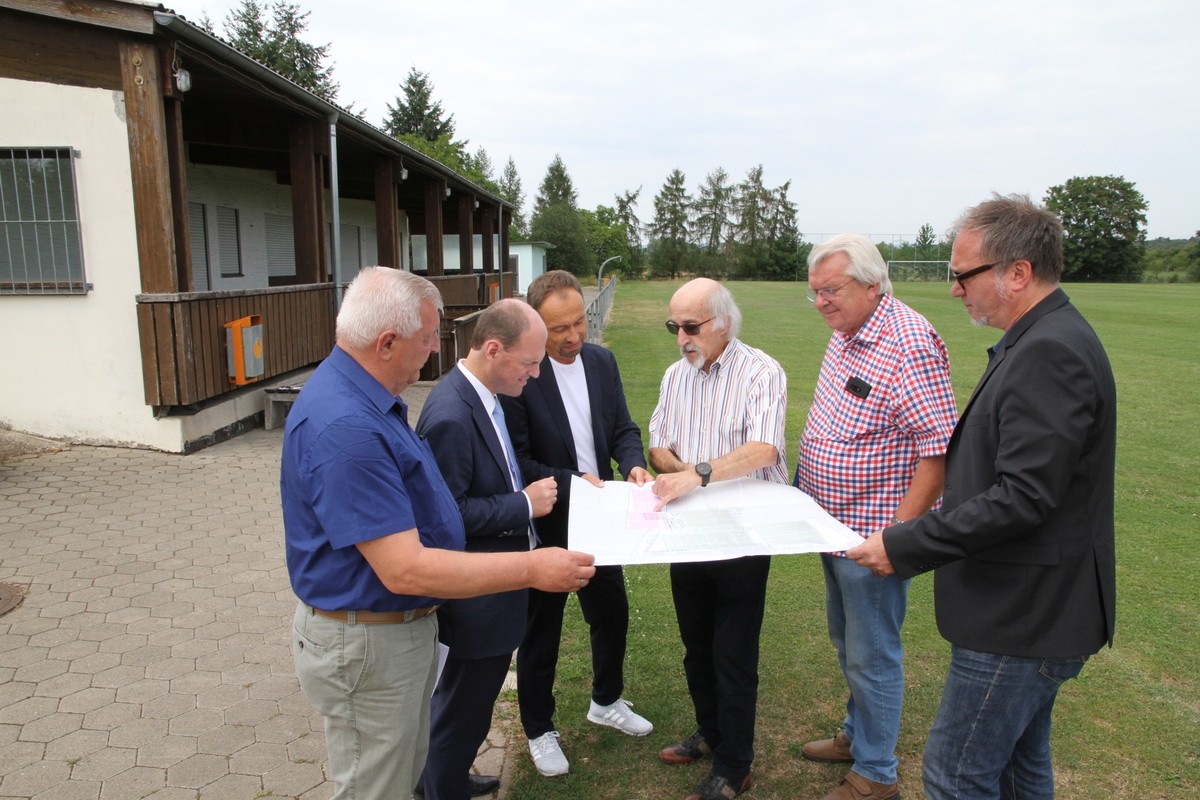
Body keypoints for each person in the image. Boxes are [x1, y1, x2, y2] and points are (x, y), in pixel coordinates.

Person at [281, 267, 596, 800]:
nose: (434, 350)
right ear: (386, 342)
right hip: (369, 643)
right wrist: (533, 568)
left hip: (386, 634)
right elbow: (404, 567)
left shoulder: (366, 400)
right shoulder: (348, 427)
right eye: (428, 338)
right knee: (376, 788)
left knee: (404, 768)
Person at [848, 194, 1117, 800]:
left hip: (1023, 618)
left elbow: (1023, 497)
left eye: (961, 275)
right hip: (1033, 612)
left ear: (1017, 273)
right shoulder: (1043, 338)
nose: (954, 290)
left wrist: (904, 541)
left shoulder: (1050, 350)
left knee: (956, 773)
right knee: (1021, 768)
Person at [795, 234, 959, 800]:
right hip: (830, 525)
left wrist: (894, 538)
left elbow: (938, 451)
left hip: (872, 535)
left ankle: (875, 775)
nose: (821, 302)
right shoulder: (846, 333)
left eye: (831, 290)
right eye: (814, 292)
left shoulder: (908, 341)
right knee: (849, 644)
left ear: (871, 284)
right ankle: (855, 734)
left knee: (872, 654)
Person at [501, 270, 655, 777]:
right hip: (548, 522)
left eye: (577, 324)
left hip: (602, 517)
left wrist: (631, 461)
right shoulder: (523, 375)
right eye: (557, 330)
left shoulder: (601, 361)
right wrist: (572, 481)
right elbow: (518, 460)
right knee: (540, 631)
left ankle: (606, 701)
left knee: (611, 614)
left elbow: (621, 429)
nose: (571, 338)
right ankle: (540, 731)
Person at [415, 298, 562, 800]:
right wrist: (522, 506)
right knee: (462, 709)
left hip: (496, 593)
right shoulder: (452, 416)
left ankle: (446, 775)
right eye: (529, 363)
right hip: (477, 600)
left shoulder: (484, 395)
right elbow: (446, 517)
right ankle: (441, 784)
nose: (537, 374)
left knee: (470, 710)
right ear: (493, 349)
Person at [648, 278, 788, 800]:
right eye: (674, 326)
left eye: (691, 326)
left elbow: (764, 449)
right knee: (696, 645)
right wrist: (678, 470)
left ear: (723, 322)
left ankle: (735, 766)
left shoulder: (761, 372)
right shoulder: (675, 376)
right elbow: (658, 442)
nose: (681, 337)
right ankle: (710, 731)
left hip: (742, 535)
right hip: (689, 532)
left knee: (732, 652)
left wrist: (699, 474)